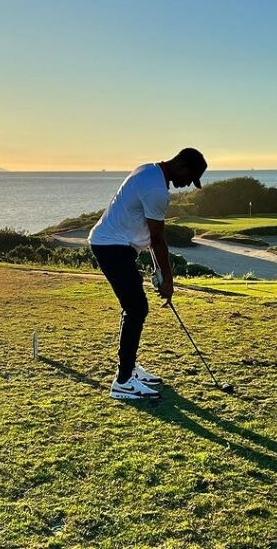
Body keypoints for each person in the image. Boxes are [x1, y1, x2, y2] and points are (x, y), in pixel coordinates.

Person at [89, 148, 207, 400]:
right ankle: (123, 382)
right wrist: (168, 280)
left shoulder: (148, 170)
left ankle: (129, 368)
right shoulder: (156, 190)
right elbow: (158, 240)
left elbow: (146, 234)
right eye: (190, 177)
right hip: (112, 247)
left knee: (134, 307)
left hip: (115, 245)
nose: (186, 183)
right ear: (181, 165)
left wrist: (158, 272)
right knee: (136, 308)